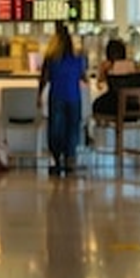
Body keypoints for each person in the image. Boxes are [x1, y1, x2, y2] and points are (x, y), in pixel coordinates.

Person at [38, 22, 88, 175]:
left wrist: (39, 96)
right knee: (72, 130)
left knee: (56, 130)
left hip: (57, 97)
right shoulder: (78, 58)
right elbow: (83, 77)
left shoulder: (51, 58)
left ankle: (56, 160)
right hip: (74, 97)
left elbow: (44, 79)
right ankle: (70, 159)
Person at [91, 39, 140, 117]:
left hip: (113, 106)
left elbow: (99, 85)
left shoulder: (107, 65)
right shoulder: (133, 64)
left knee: (96, 104)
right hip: (132, 106)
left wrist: (103, 71)